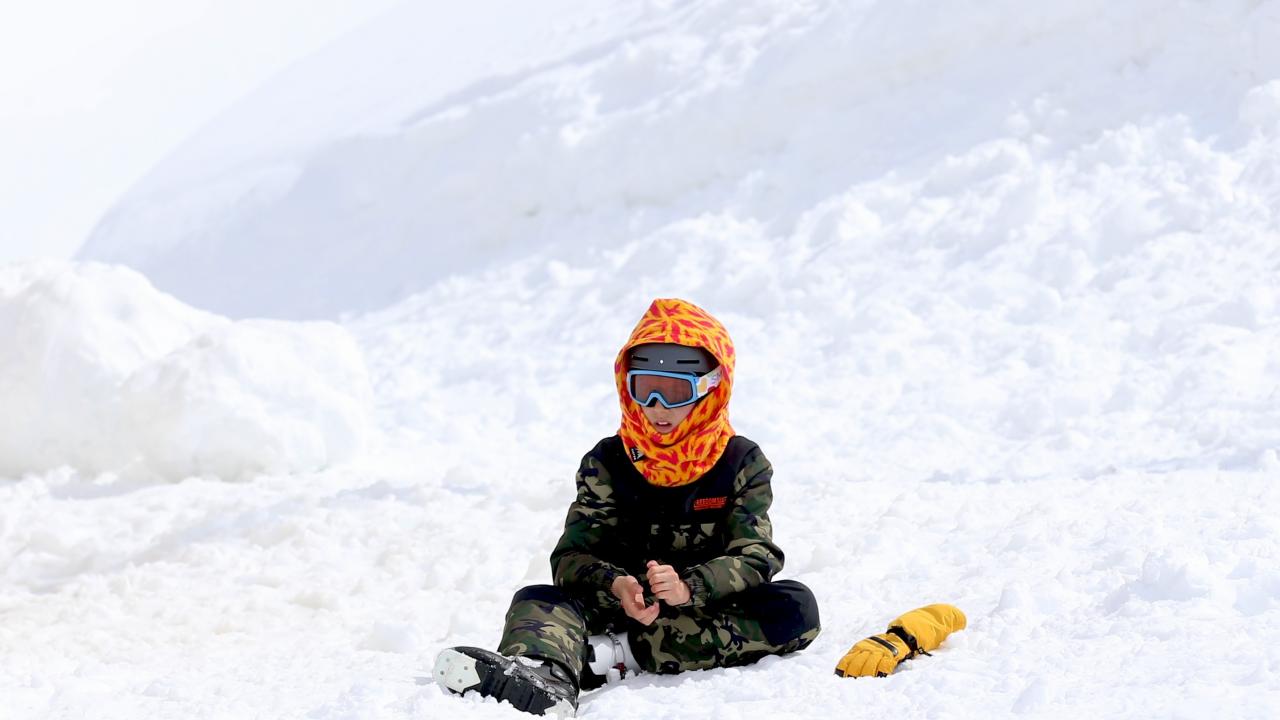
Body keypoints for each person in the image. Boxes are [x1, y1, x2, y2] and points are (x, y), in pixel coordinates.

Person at [433, 298, 821, 716]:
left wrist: (692, 586)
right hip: (614, 606)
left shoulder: (740, 461)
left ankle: (600, 658)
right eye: (644, 388)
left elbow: (756, 554)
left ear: (711, 387)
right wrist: (616, 585)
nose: (656, 407)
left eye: (675, 392)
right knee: (539, 597)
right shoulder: (607, 461)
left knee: (794, 606)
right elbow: (571, 557)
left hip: (702, 609)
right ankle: (542, 673)